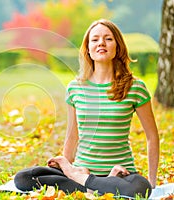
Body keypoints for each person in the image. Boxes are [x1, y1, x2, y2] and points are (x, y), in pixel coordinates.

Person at [14, 19, 159, 198]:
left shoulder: (135, 87)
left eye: (108, 39)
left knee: (140, 188)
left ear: (118, 47)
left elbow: (152, 137)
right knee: (24, 178)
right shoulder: (75, 88)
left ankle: (84, 182)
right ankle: (88, 181)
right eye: (95, 39)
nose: (101, 43)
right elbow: (72, 135)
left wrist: (152, 182)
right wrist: (66, 165)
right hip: (83, 168)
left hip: (121, 174)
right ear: (88, 49)